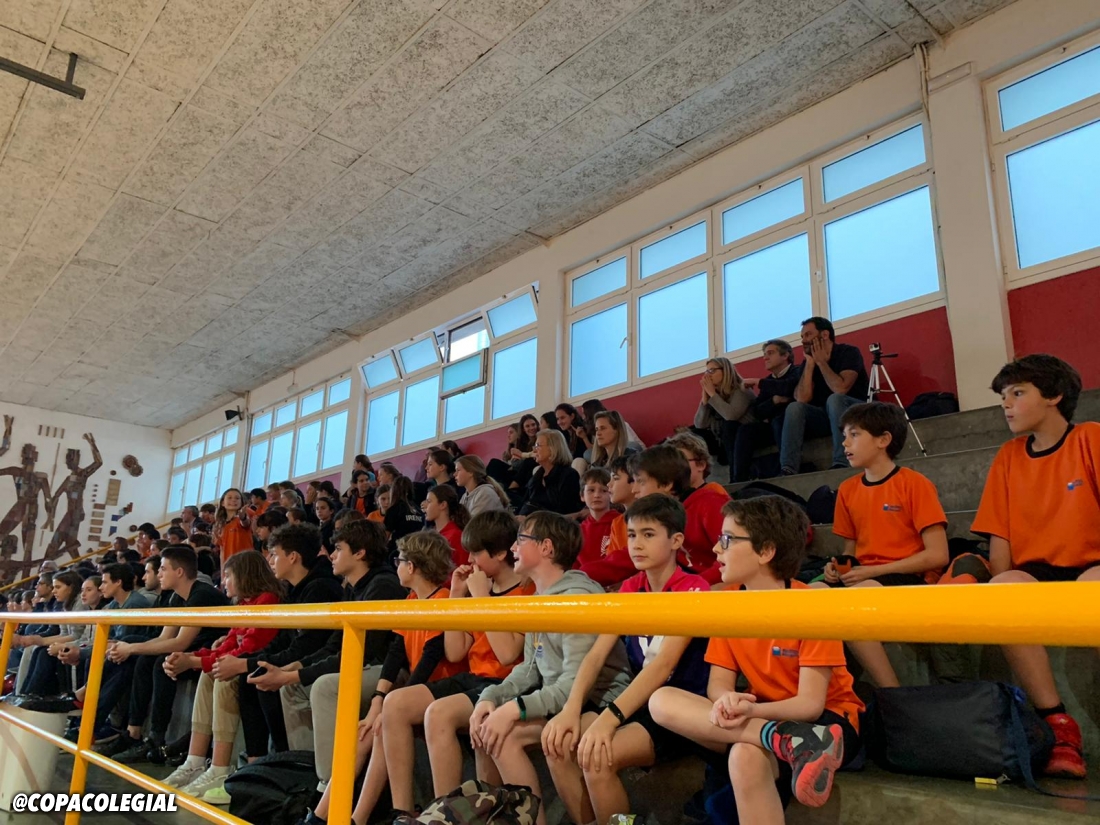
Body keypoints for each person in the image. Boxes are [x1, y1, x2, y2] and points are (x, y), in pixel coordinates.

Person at [650, 496, 864, 820]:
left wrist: (751, 710)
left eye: (727, 540)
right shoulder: (730, 605)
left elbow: (810, 704)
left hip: (826, 725)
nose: (716, 550)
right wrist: (727, 700)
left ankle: (792, 740)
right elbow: (718, 685)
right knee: (661, 701)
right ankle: (784, 739)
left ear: (766, 551)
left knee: (744, 756)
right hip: (766, 721)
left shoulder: (811, 606)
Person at [544, 495, 709, 825]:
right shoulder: (631, 588)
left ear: (676, 540)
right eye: (632, 534)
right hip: (640, 704)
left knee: (597, 757)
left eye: (648, 534)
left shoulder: (694, 588)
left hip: (681, 711)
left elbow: (663, 665)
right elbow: (595, 655)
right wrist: (571, 708)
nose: (637, 544)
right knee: (559, 743)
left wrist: (609, 719)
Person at [971, 354, 1099, 778]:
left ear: (1054, 395)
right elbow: (1000, 539)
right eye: (1003, 397)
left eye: (1017, 393)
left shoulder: (1090, 438)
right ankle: (1058, 725)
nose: (1006, 404)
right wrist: (1000, 580)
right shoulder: (1009, 456)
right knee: (1003, 590)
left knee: (1093, 588)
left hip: (1092, 564)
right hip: (1037, 571)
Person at [471, 512, 632, 825]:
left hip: (601, 699)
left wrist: (514, 709)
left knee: (555, 741)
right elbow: (529, 669)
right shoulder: (539, 596)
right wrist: (492, 697)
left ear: (546, 547)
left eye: (521, 539)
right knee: (494, 732)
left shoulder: (577, 599)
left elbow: (575, 685)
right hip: (565, 700)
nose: (513, 547)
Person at [316, 531, 464, 825]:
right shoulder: (412, 598)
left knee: (382, 726)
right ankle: (327, 816)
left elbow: (430, 659)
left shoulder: (443, 599)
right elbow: (396, 653)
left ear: (412, 566)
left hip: (439, 690)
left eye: (400, 560)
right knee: (363, 732)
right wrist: (377, 701)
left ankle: (375, 815)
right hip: (417, 691)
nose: (396, 565)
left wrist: (391, 706)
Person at [257, 521, 404, 804]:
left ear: (360, 553)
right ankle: (305, 771)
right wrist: (296, 668)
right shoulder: (352, 587)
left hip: (390, 672)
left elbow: (363, 653)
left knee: (324, 686)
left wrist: (294, 675)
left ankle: (328, 787)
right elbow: (334, 646)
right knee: (293, 687)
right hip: (364, 665)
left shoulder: (383, 585)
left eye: (338, 548)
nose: (331, 555)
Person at [813, 403, 949, 688]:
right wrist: (837, 569)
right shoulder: (848, 489)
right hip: (865, 576)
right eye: (844, 436)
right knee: (808, 595)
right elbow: (850, 550)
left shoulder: (914, 484)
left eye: (854, 435)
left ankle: (891, 691)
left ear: (883, 440)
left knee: (852, 602)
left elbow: (938, 555)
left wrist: (874, 572)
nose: (845, 443)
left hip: (907, 578)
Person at [422, 511, 535, 800]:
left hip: (505, 682)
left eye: (476, 553)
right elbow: (455, 651)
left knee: (438, 714)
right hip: (474, 678)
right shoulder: (480, 589)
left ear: (500, 553)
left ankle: (448, 810)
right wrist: (456, 596)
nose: (470, 561)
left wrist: (482, 599)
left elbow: (508, 654)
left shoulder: (526, 590)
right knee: (395, 705)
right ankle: (417, 810)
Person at [162, 551, 283, 803]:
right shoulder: (243, 605)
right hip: (243, 663)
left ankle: (219, 768)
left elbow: (247, 649)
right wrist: (193, 657)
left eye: (228, 575)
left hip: (259, 666)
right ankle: (195, 761)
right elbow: (227, 645)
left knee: (222, 675)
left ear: (245, 575)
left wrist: (193, 661)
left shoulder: (267, 600)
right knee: (210, 673)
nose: (224, 581)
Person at [98, 546, 230, 763]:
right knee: (143, 658)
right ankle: (133, 732)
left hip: (213, 650)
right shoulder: (176, 597)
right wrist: (128, 647)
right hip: (195, 646)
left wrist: (130, 648)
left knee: (162, 663)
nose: (159, 573)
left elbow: (179, 642)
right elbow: (164, 638)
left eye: (163, 568)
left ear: (179, 572)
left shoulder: (201, 594)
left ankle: (156, 737)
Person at [236, 524, 344, 760]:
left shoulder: (321, 589)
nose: (270, 560)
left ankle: (284, 760)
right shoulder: (293, 589)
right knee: (251, 674)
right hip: (306, 658)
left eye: (274, 554)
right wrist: (246, 660)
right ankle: (258, 760)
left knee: (263, 677)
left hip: (318, 662)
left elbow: (306, 647)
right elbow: (283, 639)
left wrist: (248, 663)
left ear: (293, 557)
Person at [781, 317, 869, 475]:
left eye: (808, 335)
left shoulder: (848, 352)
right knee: (794, 407)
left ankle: (842, 461)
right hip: (826, 416)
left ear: (825, 335)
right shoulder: (807, 362)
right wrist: (810, 363)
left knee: (835, 399)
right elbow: (801, 399)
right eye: (802, 336)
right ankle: (788, 468)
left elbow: (840, 388)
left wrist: (822, 363)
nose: (803, 340)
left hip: (856, 412)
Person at [636, 440, 728, 584]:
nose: (634, 490)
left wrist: (689, 587)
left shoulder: (711, 504)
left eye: (641, 482)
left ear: (667, 484)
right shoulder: (662, 514)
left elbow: (731, 554)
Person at [734, 340, 801, 482]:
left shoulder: (798, 371)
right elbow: (757, 411)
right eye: (764, 354)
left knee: (779, 421)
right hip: (772, 426)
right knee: (746, 430)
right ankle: (739, 479)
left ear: (785, 355)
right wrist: (774, 400)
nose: (765, 358)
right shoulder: (768, 381)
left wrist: (759, 383)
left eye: (770, 353)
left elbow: (788, 388)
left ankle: (788, 469)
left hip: (797, 425)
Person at [580, 456, 638, 588]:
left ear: (635, 482)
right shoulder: (618, 523)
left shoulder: (650, 518)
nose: (609, 484)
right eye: (591, 490)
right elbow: (612, 564)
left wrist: (580, 575)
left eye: (615, 478)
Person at [693, 357, 757, 471]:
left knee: (729, 426)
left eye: (712, 371)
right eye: (707, 371)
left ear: (725, 370)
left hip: (747, 433)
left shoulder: (742, 389)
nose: (708, 375)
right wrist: (705, 398)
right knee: (693, 432)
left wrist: (712, 394)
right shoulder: (716, 394)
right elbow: (700, 424)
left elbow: (731, 416)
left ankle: (736, 475)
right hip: (723, 436)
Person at [519, 429, 583, 517]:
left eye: (538, 445)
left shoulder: (569, 475)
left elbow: (566, 511)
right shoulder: (537, 476)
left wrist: (530, 519)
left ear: (553, 448)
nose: (534, 450)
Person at [423, 484, 470, 566]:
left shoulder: (456, 536)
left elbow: (463, 566)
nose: (425, 506)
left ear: (443, 505)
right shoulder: (431, 533)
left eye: (429, 501)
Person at [577, 467, 615, 568]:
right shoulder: (578, 531)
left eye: (604, 490)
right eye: (591, 490)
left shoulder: (620, 523)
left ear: (611, 493)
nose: (597, 495)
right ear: (582, 496)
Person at [383, 476, 424, 559]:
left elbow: (385, 536)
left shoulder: (394, 509)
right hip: (417, 549)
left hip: (399, 550)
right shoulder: (418, 510)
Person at [213, 488, 253, 566]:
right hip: (229, 566)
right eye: (229, 498)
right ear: (222, 503)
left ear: (241, 503)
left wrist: (243, 517)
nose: (234, 500)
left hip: (245, 564)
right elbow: (222, 552)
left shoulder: (240, 519)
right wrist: (223, 572)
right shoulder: (220, 525)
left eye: (237, 498)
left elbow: (245, 523)